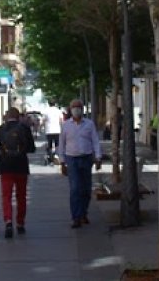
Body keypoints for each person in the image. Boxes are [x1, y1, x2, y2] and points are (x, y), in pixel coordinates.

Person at [0, 107, 36, 237]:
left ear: (6, 117)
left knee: (6, 196)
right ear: (18, 117)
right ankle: (20, 223)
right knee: (21, 196)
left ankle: (8, 222)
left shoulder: (0, 129)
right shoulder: (25, 129)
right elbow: (32, 149)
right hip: (21, 167)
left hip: (5, 167)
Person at [57, 98, 102, 228]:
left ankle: (83, 213)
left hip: (86, 158)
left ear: (82, 109)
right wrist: (62, 162)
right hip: (72, 159)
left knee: (86, 189)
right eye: (74, 107)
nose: (76, 109)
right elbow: (62, 144)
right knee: (75, 188)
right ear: (70, 110)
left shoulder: (89, 124)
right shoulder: (66, 125)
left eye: (79, 107)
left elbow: (95, 141)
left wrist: (98, 157)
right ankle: (76, 217)